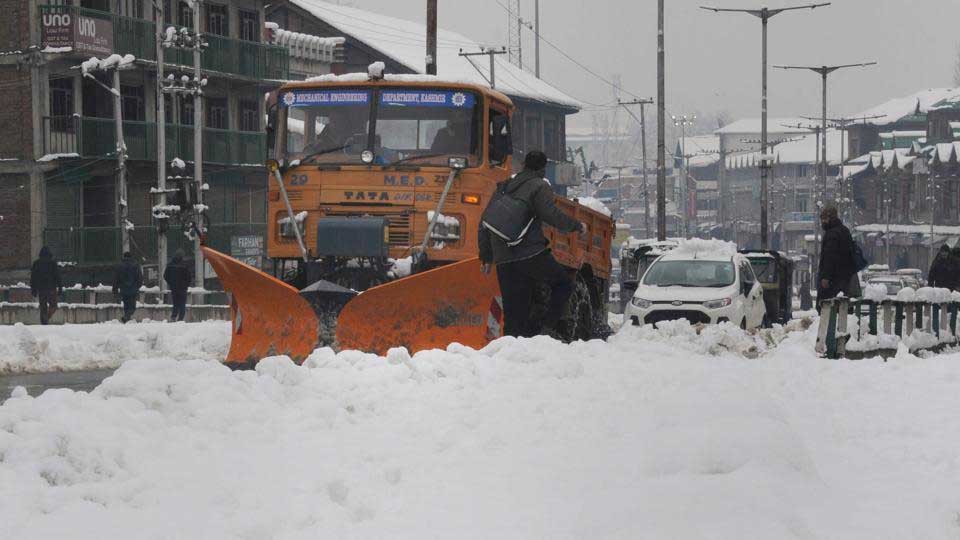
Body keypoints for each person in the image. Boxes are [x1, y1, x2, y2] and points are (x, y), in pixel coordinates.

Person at [478, 150, 583, 339]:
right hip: (530, 254)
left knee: (514, 312)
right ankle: (546, 330)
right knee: (563, 284)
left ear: (525, 165)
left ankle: (513, 350)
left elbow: (485, 222)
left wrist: (486, 256)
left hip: (503, 258)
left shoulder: (504, 186)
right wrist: (576, 225)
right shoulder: (538, 186)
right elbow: (551, 214)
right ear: (542, 169)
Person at [817, 205, 859, 307]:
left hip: (833, 279)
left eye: (824, 219)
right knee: (843, 306)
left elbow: (829, 257)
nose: (822, 222)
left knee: (826, 306)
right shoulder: (845, 230)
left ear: (830, 218)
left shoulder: (832, 234)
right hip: (846, 277)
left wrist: (826, 277)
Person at [29, 246, 62, 325]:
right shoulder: (53, 263)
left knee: (43, 307)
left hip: (41, 289)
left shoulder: (36, 263)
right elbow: (57, 276)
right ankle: (47, 317)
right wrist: (60, 287)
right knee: (53, 306)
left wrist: (33, 289)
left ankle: (44, 322)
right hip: (51, 288)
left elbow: (33, 278)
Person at [113, 251, 143, 323]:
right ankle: (127, 317)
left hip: (123, 289)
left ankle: (126, 318)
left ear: (124, 257)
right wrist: (138, 286)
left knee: (126, 305)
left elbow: (116, 278)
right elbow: (139, 277)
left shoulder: (119, 266)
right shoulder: (136, 265)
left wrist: (115, 289)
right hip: (133, 289)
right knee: (132, 306)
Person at [164, 250, 191, 322]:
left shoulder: (170, 265)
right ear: (182, 256)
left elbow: (165, 276)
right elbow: (189, 277)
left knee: (175, 303)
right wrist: (186, 285)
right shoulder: (184, 265)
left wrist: (171, 283)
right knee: (182, 303)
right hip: (182, 288)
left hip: (174, 288)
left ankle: (173, 316)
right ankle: (180, 319)